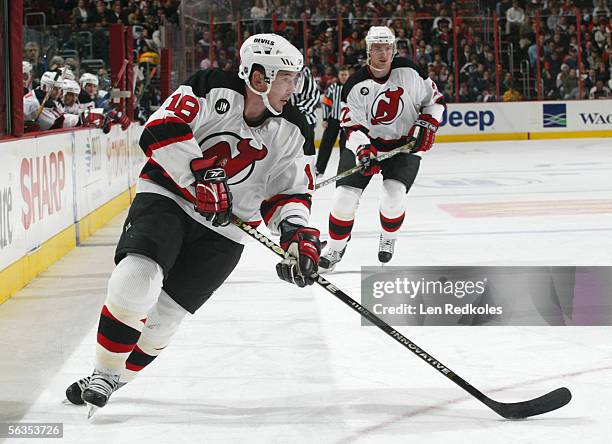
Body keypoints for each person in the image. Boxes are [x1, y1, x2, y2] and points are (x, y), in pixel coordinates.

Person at [65, 33, 322, 414]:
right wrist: (198, 178)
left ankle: (113, 379)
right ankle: (104, 371)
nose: (293, 88)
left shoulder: (294, 128)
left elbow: (289, 193)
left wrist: (297, 236)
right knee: (136, 278)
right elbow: (160, 127)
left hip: (228, 228)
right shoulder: (208, 88)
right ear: (258, 78)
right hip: (168, 196)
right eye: (285, 78)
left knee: (163, 322)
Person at [318, 26, 445, 272]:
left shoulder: (409, 71)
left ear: (394, 49)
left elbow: (435, 102)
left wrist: (428, 124)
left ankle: (389, 237)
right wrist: (364, 150)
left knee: (393, 196)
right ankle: (335, 247)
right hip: (366, 144)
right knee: (343, 198)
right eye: (377, 48)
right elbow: (351, 127)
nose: (383, 53)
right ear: (368, 51)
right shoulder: (355, 84)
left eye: (387, 48)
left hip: (404, 145)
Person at [315, 66, 350, 177]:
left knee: (345, 146)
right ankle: (319, 169)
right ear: (338, 76)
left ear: (348, 75)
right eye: (342, 75)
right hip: (334, 120)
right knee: (326, 144)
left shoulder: (352, 87)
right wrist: (325, 119)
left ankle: (344, 170)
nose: (344, 77)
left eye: (345, 75)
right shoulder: (333, 88)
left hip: (348, 121)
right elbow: (326, 103)